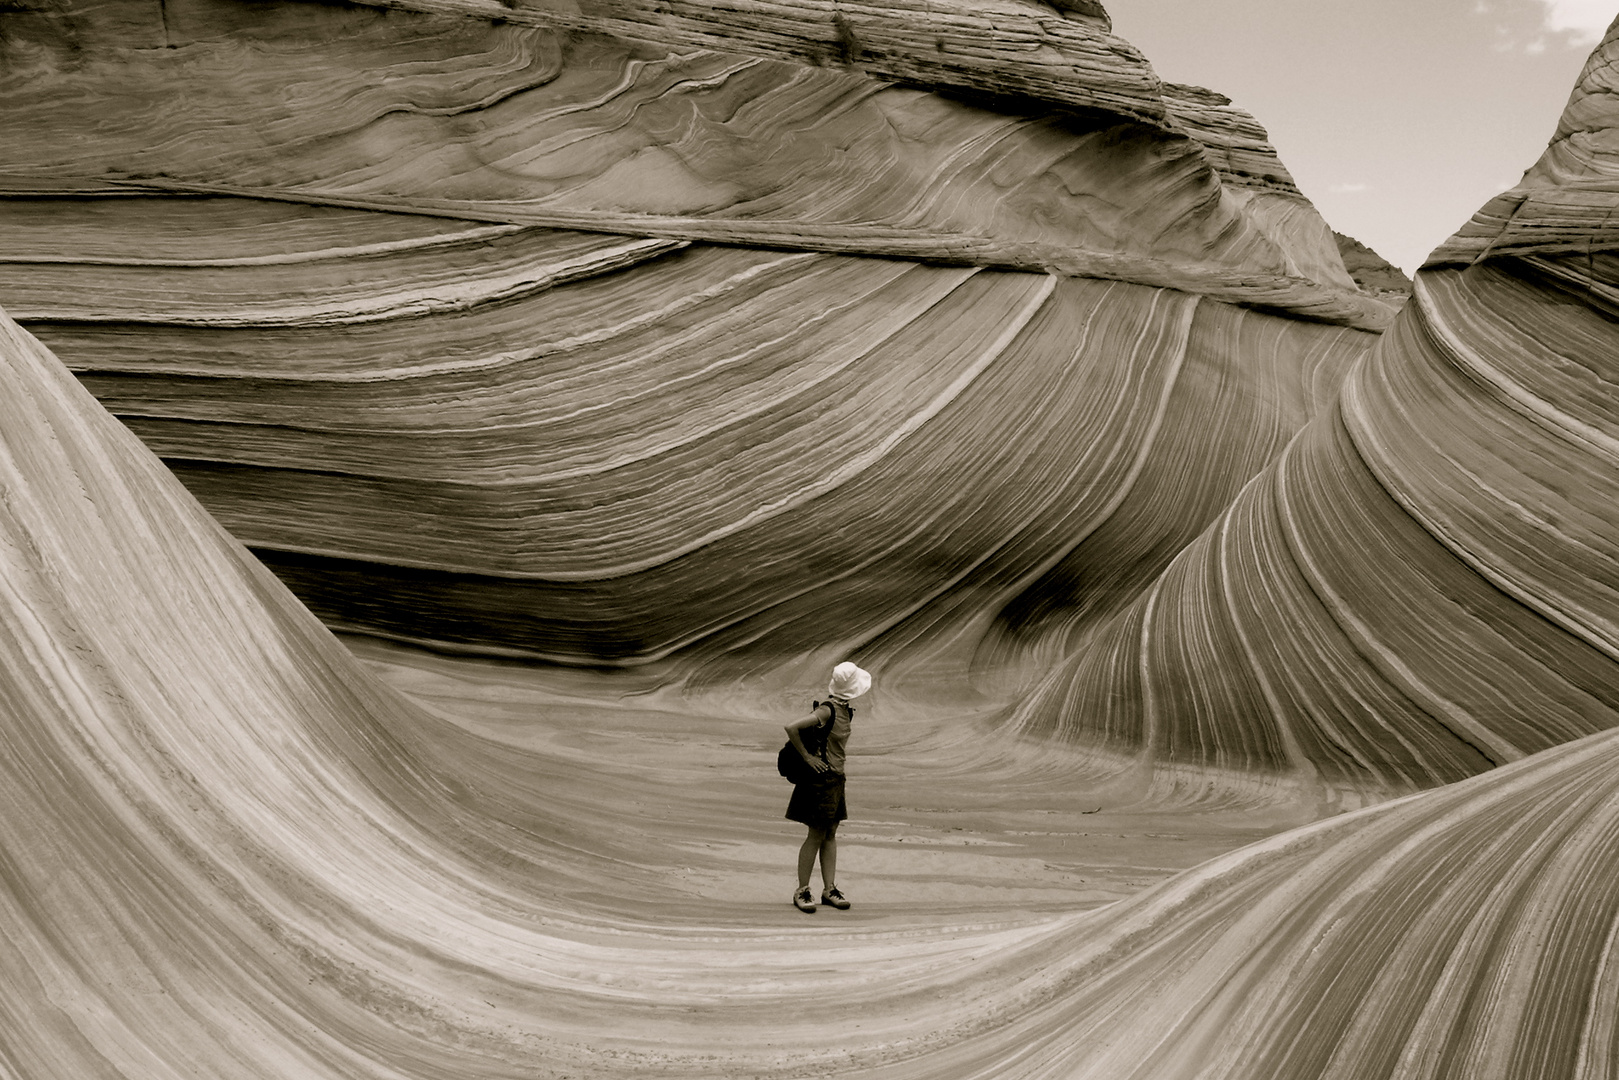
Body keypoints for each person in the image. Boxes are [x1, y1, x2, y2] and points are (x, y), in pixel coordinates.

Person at [783, 661, 870, 913]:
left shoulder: (843, 710)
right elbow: (791, 727)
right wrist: (809, 758)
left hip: (835, 780)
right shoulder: (827, 710)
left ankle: (829, 888)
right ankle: (802, 890)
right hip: (821, 782)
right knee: (816, 835)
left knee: (830, 833)